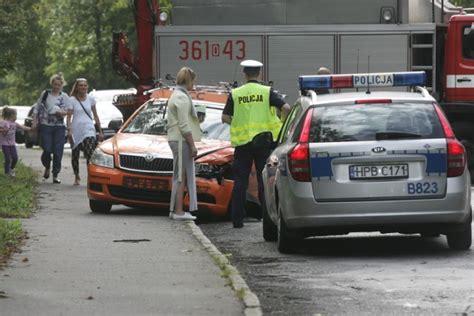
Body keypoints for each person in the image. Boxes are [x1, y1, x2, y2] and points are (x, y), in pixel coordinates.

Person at [222, 60, 291, 228]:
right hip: (263, 143)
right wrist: (281, 125)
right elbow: (287, 108)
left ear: (244, 74)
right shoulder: (267, 92)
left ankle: (237, 221)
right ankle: (266, 218)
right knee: (265, 181)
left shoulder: (236, 93)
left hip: (243, 144)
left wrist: (238, 123)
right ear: (259, 74)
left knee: (240, 183)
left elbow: (225, 118)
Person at [167, 67, 201, 221]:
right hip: (181, 140)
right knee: (181, 175)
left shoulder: (176, 95)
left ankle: (175, 209)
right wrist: (193, 145)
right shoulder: (182, 97)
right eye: (193, 81)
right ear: (188, 80)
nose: (194, 84)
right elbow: (184, 125)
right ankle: (179, 211)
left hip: (176, 138)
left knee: (179, 174)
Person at [32, 73, 69, 183]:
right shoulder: (45, 94)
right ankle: (47, 166)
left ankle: (55, 175)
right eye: (55, 84)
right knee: (47, 149)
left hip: (59, 127)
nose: (56, 86)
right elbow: (36, 108)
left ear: (62, 85)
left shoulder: (64, 96)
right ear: (51, 83)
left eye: (59, 85)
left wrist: (61, 113)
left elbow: (68, 111)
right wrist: (34, 122)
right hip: (45, 125)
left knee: (58, 152)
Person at [66, 78, 103, 186]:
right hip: (76, 129)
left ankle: (90, 177)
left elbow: (95, 115)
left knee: (90, 153)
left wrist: (99, 131)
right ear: (77, 87)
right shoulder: (72, 100)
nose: (83, 87)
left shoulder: (91, 99)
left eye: (85, 85)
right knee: (75, 154)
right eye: (81, 85)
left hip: (89, 128)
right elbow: (69, 117)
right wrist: (69, 130)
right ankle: (77, 176)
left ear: (87, 87)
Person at [0, 107, 31, 177]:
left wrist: (31, 129)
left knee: (15, 157)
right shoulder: (3, 122)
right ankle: (7, 172)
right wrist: (3, 130)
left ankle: (11, 168)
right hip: (4, 143)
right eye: (15, 115)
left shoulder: (15, 123)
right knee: (7, 158)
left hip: (12, 144)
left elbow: (23, 127)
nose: (16, 117)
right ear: (11, 116)